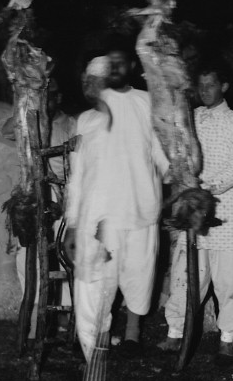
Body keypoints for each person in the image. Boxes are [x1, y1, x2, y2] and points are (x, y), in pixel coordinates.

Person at [63, 45, 167, 361]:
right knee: (97, 279)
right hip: (98, 216)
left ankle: (133, 333)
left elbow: (164, 159)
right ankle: (97, 337)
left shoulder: (147, 103)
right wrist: (73, 223)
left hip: (138, 209)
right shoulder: (85, 121)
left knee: (138, 272)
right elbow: (78, 177)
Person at [160, 61, 233, 366]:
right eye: (200, 86)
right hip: (193, 209)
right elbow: (179, 156)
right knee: (186, 275)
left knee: (231, 279)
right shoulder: (191, 119)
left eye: (211, 85)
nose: (205, 91)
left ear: (224, 87)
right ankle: (176, 330)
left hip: (230, 211)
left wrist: (201, 190)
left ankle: (227, 338)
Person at [11, 79, 77, 333]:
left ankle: (62, 318)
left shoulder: (71, 124)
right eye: (42, 97)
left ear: (59, 98)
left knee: (62, 258)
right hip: (31, 192)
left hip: (61, 195)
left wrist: (65, 202)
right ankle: (33, 319)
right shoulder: (28, 120)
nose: (46, 102)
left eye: (51, 97)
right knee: (26, 256)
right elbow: (8, 129)